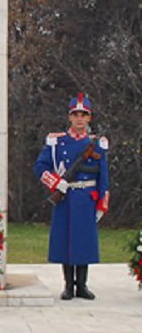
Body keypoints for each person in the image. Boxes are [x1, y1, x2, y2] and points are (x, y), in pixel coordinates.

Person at [34, 94, 109, 300]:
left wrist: (102, 202)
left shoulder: (97, 144)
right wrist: (56, 183)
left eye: (83, 115)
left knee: (83, 241)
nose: (79, 119)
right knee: (65, 240)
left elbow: (103, 175)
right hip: (65, 197)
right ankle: (68, 285)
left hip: (87, 198)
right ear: (69, 117)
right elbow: (40, 166)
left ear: (89, 118)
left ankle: (82, 285)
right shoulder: (56, 142)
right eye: (75, 115)